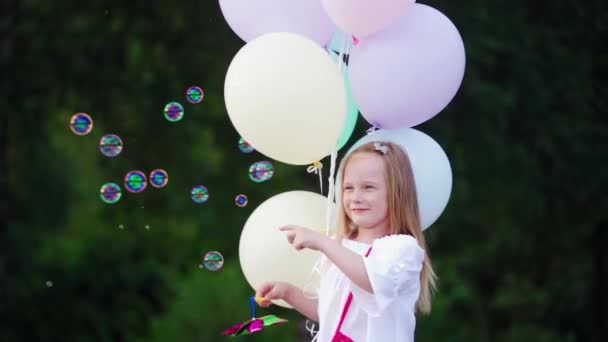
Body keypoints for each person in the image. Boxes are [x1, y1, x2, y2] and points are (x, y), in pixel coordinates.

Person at [256, 141, 437, 342]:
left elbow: (372, 281)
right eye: (348, 188)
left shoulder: (403, 248)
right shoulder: (340, 246)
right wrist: (287, 292)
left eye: (368, 187)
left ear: (397, 193)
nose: (355, 197)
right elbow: (329, 313)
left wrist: (323, 243)